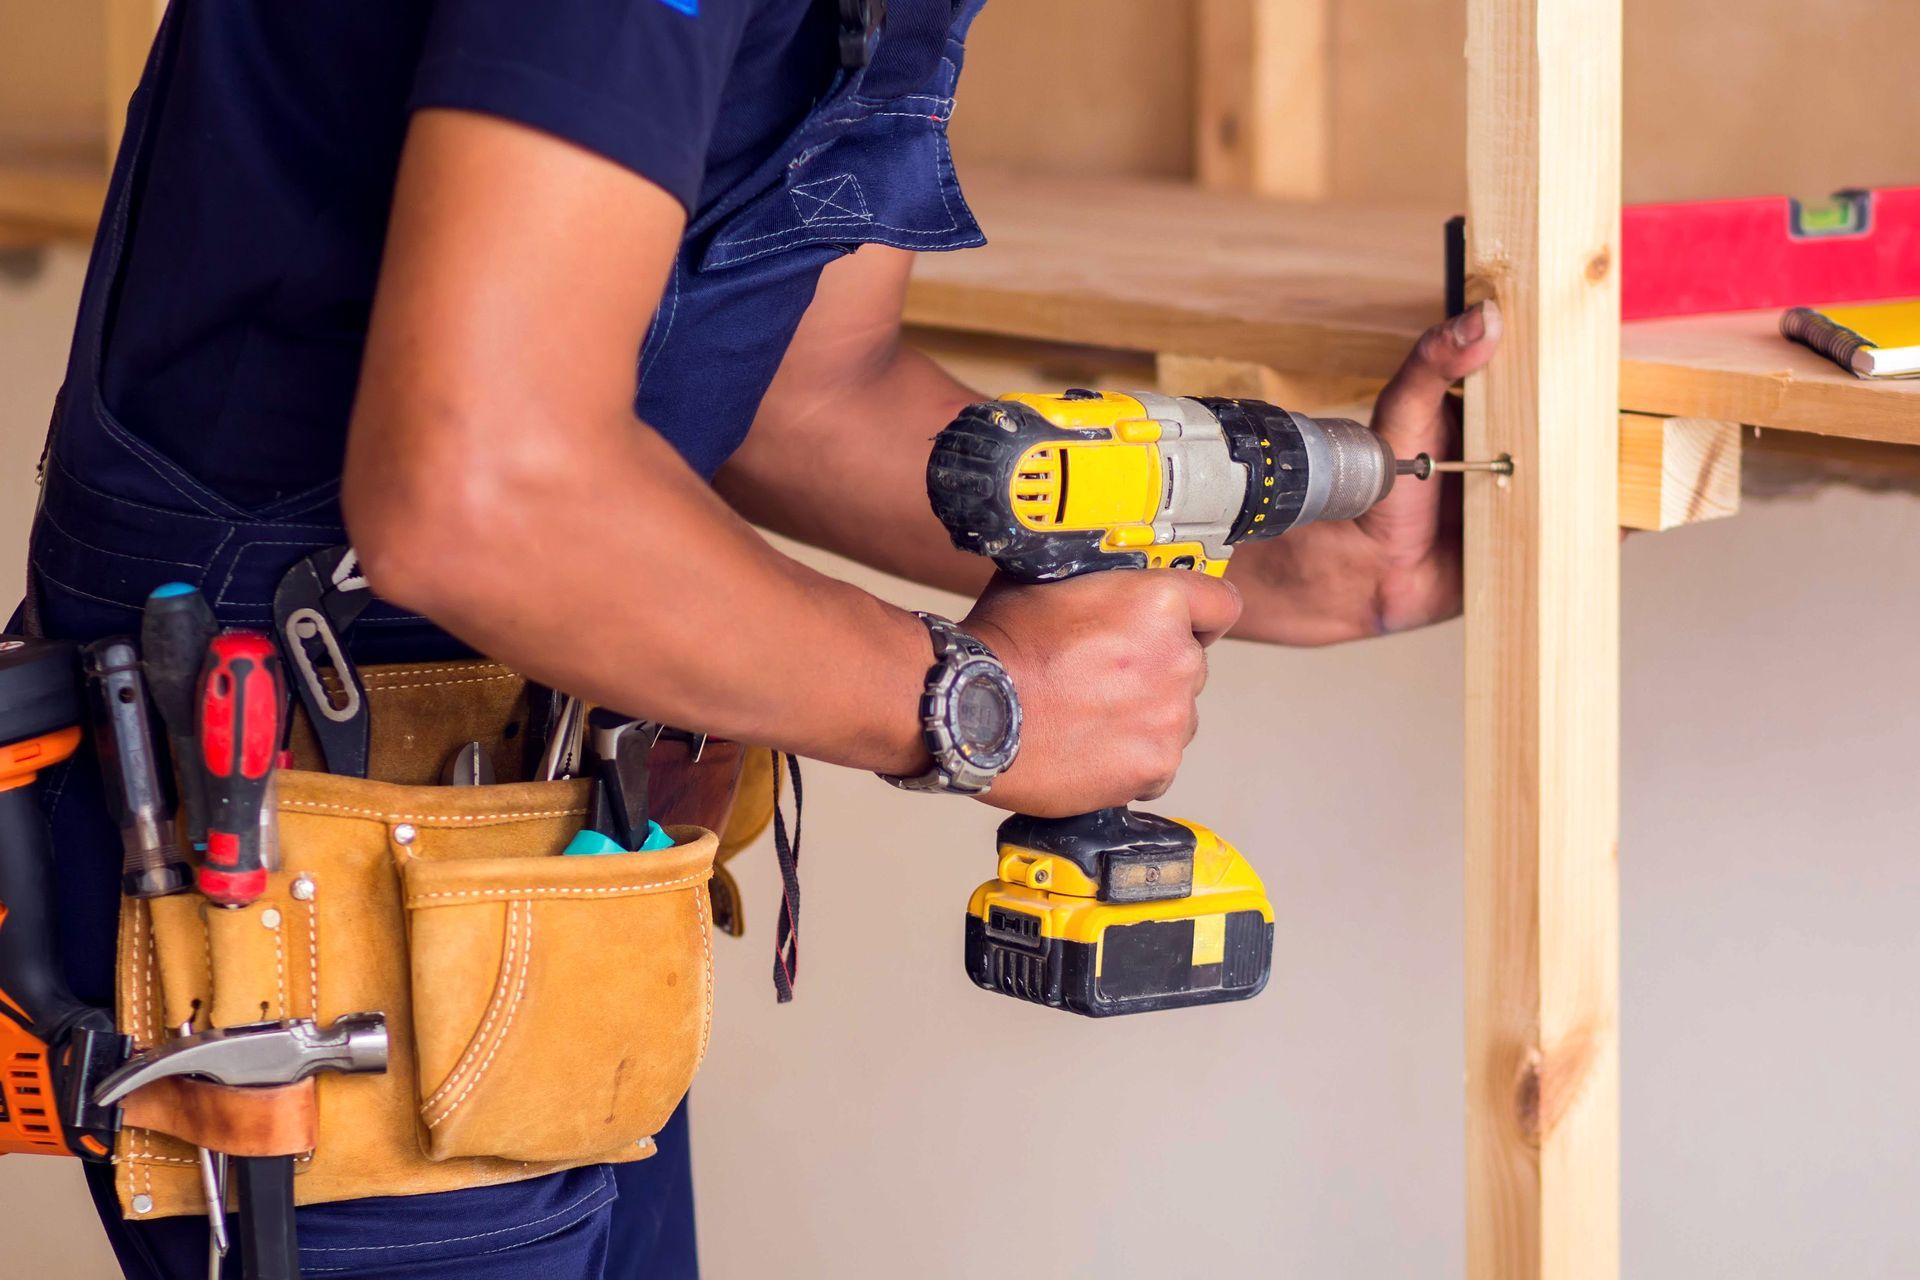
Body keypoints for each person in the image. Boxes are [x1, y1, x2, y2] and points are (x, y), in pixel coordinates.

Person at [20, 1, 1501, 1276]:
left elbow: (797, 384)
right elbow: (476, 491)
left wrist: (1291, 563)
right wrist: (977, 704)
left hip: (549, 866)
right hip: (299, 859)